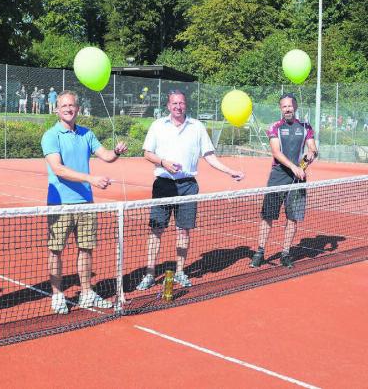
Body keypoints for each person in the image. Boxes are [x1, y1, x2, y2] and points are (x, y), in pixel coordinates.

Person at [136, 90, 244, 291]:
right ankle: (150, 274)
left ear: (186, 105)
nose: (178, 106)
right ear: (168, 106)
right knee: (156, 230)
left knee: (183, 231)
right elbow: (147, 153)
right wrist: (163, 162)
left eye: (181, 103)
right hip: (163, 185)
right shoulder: (158, 125)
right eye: (174, 103)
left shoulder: (197, 127)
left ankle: (180, 272)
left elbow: (210, 156)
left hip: (188, 186)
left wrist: (230, 171)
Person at [41, 90, 128, 314]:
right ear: (57, 110)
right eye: (64, 106)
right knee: (55, 250)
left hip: (86, 204)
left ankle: (87, 292)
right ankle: (58, 295)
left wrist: (116, 151)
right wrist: (91, 178)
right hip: (60, 203)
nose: (69, 109)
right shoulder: (51, 136)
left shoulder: (87, 134)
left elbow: (107, 156)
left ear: (78, 109)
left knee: (86, 249)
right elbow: (58, 169)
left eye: (72, 105)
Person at [251, 93, 318, 269]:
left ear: (295, 107)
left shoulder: (305, 127)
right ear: (281, 109)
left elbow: (312, 147)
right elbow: (276, 153)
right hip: (278, 175)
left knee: (293, 217)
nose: (287, 109)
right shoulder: (275, 127)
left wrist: (310, 155)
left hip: (298, 177)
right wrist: (293, 167)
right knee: (268, 216)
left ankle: (285, 253)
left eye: (290, 106)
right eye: (284, 106)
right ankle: (259, 252)